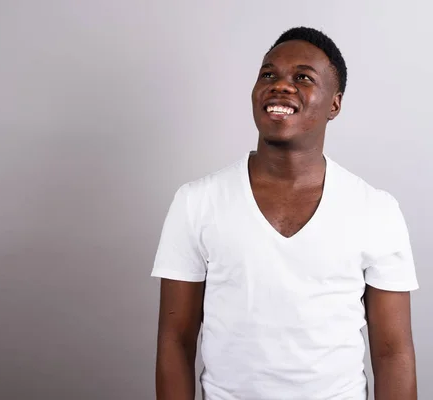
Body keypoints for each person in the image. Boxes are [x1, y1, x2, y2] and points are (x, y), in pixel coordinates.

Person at [151, 27, 418, 400]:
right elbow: (176, 341)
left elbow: (393, 353)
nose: (281, 85)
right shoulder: (197, 201)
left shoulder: (376, 210)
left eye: (303, 77)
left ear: (334, 104)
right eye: (268, 74)